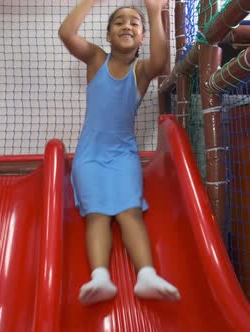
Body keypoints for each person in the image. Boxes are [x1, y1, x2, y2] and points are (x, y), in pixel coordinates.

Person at [58, 0, 180, 305]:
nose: (127, 25)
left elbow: (162, 62)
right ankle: (100, 277)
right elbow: (66, 33)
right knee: (97, 215)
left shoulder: (140, 71)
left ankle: (147, 276)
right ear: (109, 36)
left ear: (141, 38)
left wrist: (154, 11)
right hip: (90, 157)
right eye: (119, 22)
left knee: (130, 213)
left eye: (134, 23)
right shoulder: (96, 60)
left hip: (124, 155)